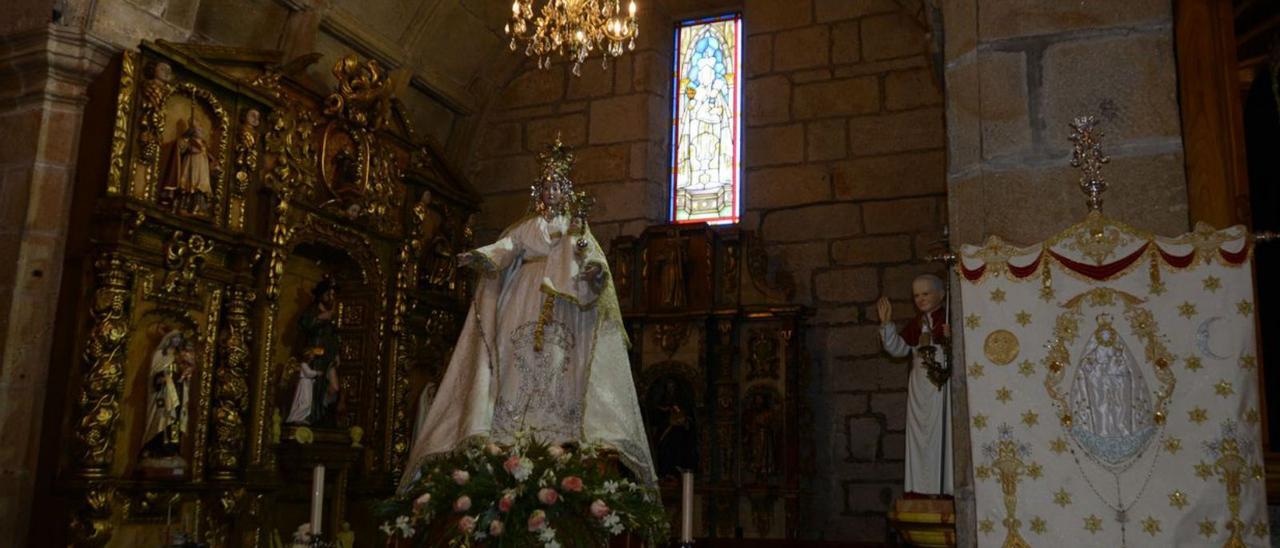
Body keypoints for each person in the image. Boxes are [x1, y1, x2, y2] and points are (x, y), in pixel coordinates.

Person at [400, 139, 656, 489]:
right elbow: (506, 248)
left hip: (564, 303)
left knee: (559, 357)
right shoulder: (527, 226)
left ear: (565, 191)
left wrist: (593, 271)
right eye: (546, 186)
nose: (551, 192)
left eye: (556, 186)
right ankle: (509, 425)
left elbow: (591, 260)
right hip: (523, 296)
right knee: (514, 355)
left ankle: (559, 429)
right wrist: (484, 257)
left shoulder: (573, 227)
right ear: (540, 190)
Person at [877, 274, 953, 496]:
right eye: (916, 295)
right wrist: (886, 325)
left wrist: (952, 338)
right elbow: (898, 349)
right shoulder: (917, 324)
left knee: (942, 435)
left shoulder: (949, 319)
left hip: (941, 387)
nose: (920, 299)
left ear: (941, 294)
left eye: (926, 293)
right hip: (919, 389)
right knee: (919, 437)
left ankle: (945, 489)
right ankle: (920, 488)